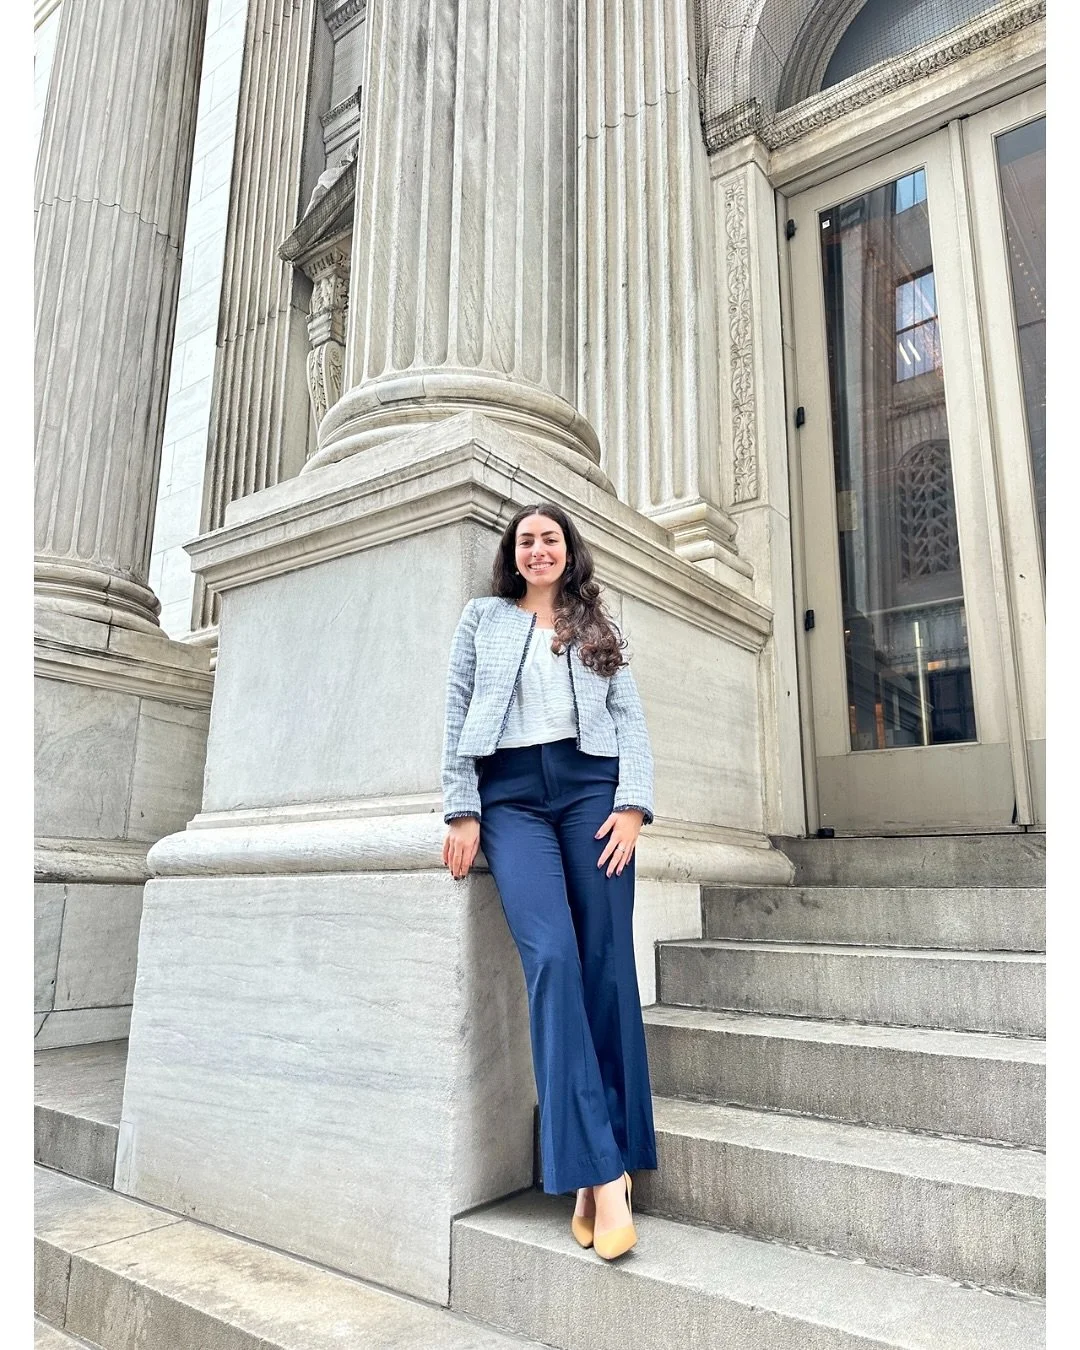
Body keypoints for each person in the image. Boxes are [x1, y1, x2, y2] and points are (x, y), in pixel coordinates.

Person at [440, 501, 658, 1261]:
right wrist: (462, 808)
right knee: (554, 960)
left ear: (569, 551)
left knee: (605, 965)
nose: (538, 550)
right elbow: (457, 710)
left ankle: (605, 1162)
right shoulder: (483, 619)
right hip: (512, 800)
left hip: (591, 791)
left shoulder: (595, 621)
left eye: (551, 539)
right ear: (512, 554)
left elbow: (630, 718)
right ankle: (603, 1172)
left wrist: (632, 805)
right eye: (526, 540)